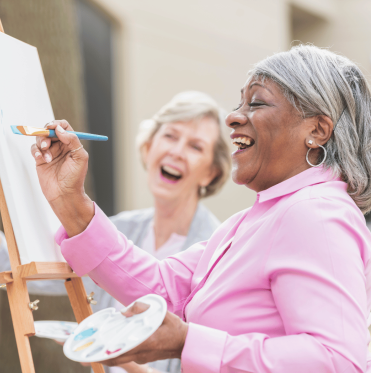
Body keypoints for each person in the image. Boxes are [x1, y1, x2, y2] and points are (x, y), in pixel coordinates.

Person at [30, 44, 371, 372]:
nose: (233, 117)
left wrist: (188, 342)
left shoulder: (315, 214)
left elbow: (338, 361)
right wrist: (70, 200)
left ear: (317, 130)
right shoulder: (252, 221)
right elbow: (161, 287)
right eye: (240, 102)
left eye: (256, 103)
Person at [0, 91, 231, 373]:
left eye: (195, 146)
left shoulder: (217, 254)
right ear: (149, 147)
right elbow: (18, 270)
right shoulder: (116, 231)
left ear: (212, 173)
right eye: (170, 136)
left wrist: (109, 350)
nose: (177, 152)